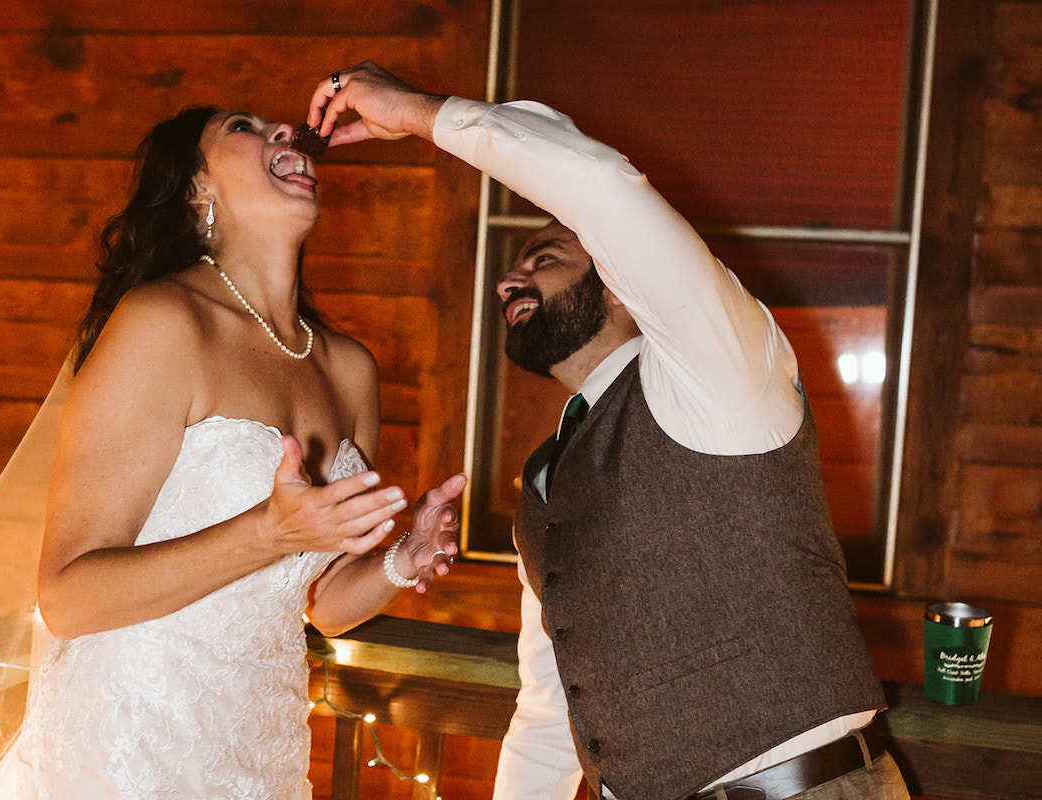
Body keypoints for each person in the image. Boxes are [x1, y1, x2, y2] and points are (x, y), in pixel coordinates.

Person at [310, 62, 910, 800]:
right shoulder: (545, 479)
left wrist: (416, 112)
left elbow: (599, 188)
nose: (509, 280)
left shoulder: (718, 370)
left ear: (623, 283)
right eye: (514, 266)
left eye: (546, 257)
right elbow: (551, 706)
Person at [0, 102, 467, 799]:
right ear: (196, 191)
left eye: (280, 126)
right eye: (243, 128)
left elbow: (320, 600)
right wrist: (267, 532)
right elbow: (68, 598)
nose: (284, 131)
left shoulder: (349, 367)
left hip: (263, 741)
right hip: (129, 741)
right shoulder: (164, 323)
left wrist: (404, 559)